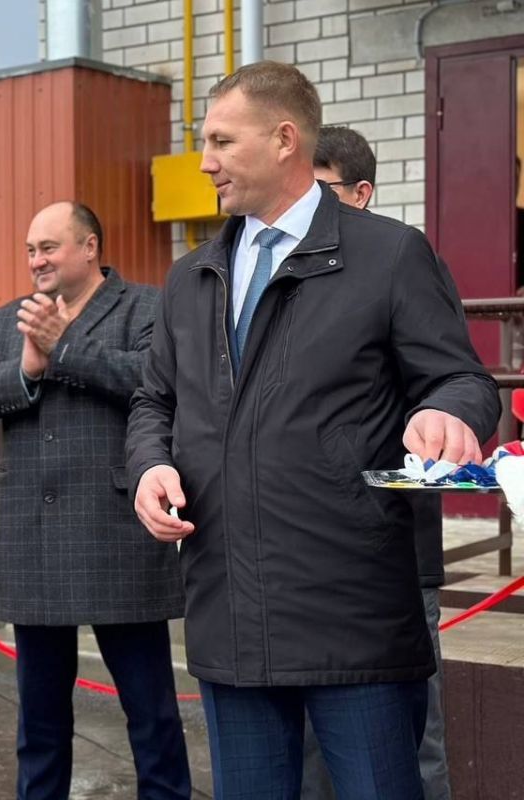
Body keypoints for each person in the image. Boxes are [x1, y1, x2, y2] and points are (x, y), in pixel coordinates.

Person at [126, 62, 500, 799]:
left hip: (352, 618)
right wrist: (147, 467)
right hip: (228, 612)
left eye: (221, 142)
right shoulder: (191, 278)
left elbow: (462, 379)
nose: (204, 162)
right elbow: (153, 403)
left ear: (284, 139)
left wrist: (444, 412)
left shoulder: (389, 254)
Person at [0, 201, 191, 800]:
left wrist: (67, 349)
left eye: (49, 248)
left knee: (152, 714)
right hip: (35, 538)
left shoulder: (147, 307)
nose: (36, 260)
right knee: (39, 721)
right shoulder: (7, 319)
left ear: (90, 247)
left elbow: (156, 382)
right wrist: (28, 368)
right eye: (31, 249)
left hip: (117, 533)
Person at [304, 125, 454, 800]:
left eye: (323, 189)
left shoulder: (400, 263)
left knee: (409, 742)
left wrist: (442, 416)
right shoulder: (282, 280)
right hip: (302, 557)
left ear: (361, 195)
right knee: (311, 747)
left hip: (391, 550)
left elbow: (451, 381)